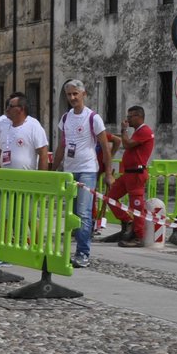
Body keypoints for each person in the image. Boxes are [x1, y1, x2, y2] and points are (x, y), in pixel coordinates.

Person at [53, 78, 110, 268]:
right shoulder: (65, 118)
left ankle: (83, 253)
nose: (72, 97)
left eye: (75, 94)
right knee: (71, 214)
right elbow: (62, 145)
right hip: (70, 171)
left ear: (83, 94)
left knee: (84, 212)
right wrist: (52, 170)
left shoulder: (93, 117)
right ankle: (73, 249)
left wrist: (108, 172)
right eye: (69, 94)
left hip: (87, 170)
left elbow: (105, 146)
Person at [104, 105, 155, 244]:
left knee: (137, 206)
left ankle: (138, 236)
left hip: (136, 174)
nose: (127, 120)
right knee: (110, 197)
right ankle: (127, 222)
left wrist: (124, 130)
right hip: (128, 174)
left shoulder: (144, 131)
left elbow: (127, 144)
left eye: (130, 117)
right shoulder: (138, 131)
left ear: (139, 117)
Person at [0, 92, 53, 172]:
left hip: (26, 179)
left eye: (11, 106)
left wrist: (41, 179)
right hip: (5, 178)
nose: (7, 109)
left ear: (21, 109)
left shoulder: (34, 127)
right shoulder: (2, 125)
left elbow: (43, 154)